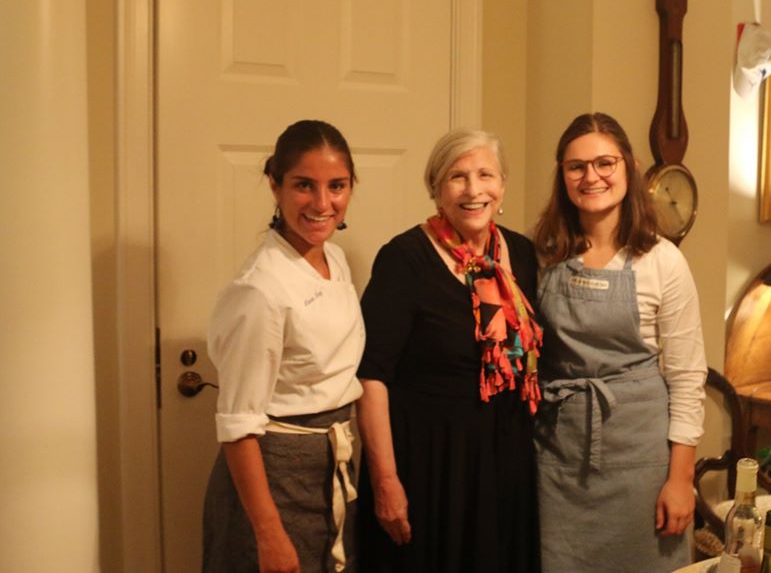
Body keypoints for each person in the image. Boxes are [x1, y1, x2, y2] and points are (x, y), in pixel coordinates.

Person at [355, 128, 542, 572]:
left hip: (505, 462)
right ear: (437, 190)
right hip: (431, 468)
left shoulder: (521, 253)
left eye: (485, 175)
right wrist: (385, 480)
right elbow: (371, 375)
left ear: (502, 186)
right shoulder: (404, 259)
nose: (474, 190)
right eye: (458, 177)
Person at [532, 112, 707, 573]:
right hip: (558, 460)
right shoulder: (543, 255)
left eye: (605, 163)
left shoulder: (662, 261)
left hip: (642, 468)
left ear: (628, 167)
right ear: (562, 175)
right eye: (576, 166)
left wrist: (681, 479)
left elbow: (688, 378)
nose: (591, 176)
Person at [203, 120, 364, 573]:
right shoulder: (260, 290)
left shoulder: (334, 257)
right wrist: (269, 536)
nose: (322, 203)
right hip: (274, 479)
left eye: (337, 186)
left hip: (332, 464)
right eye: (303, 186)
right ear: (274, 186)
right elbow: (238, 426)